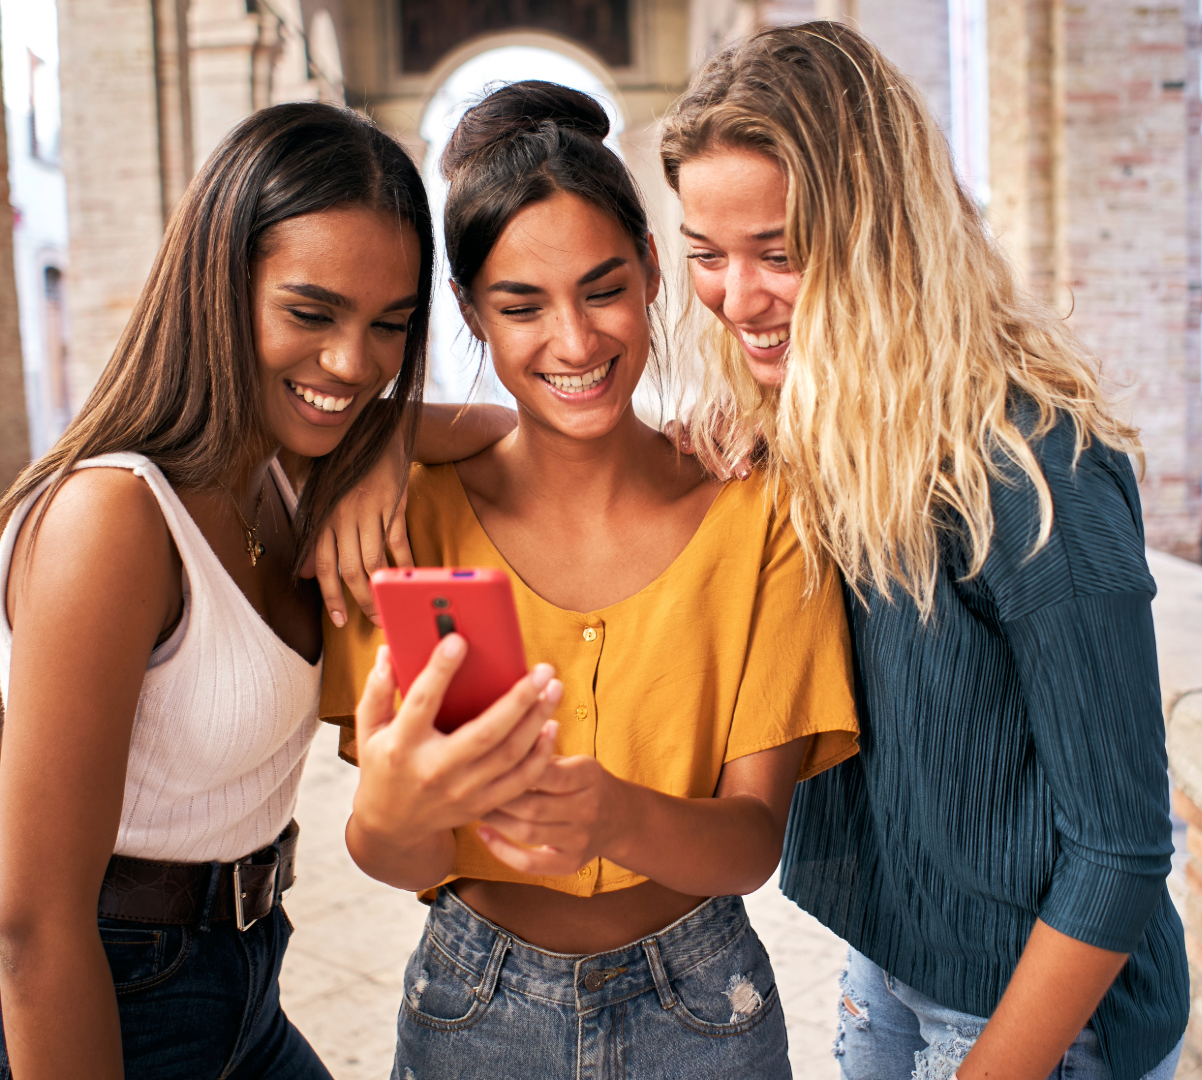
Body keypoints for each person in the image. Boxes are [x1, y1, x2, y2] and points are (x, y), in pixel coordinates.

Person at [0, 102, 536, 1080]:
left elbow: (502, 427)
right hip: (82, 999)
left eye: (389, 327)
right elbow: (34, 923)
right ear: (217, 286)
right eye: (311, 313)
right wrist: (376, 438)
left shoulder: (288, 466)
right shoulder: (112, 519)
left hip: (240, 978)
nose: (352, 364)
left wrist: (388, 440)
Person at [657, 21, 1189, 1080]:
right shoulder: (804, 434)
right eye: (707, 256)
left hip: (1047, 1018)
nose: (735, 298)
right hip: (892, 961)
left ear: (879, 237)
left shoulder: (1036, 469)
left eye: (781, 253)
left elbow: (1120, 852)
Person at [319, 81, 860, 1080]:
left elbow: (749, 846)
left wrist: (614, 815)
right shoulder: (406, 523)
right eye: (521, 306)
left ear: (654, 270)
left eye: (603, 288)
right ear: (473, 316)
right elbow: (414, 861)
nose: (574, 343)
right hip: (469, 1005)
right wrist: (388, 824)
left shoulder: (760, 515)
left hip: (704, 1010)